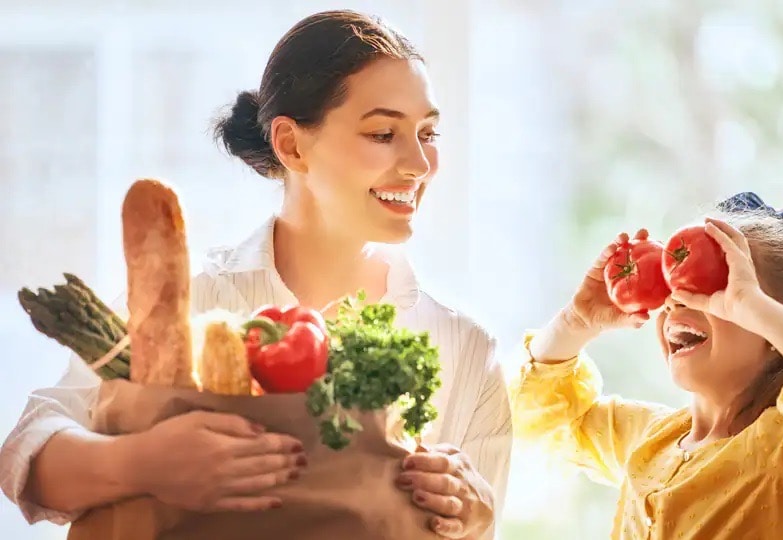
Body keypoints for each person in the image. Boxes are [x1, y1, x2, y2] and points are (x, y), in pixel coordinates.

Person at [0, 10, 510, 540]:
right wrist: (143, 463)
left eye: (429, 133)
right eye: (383, 133)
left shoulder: (465, 348)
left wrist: (475, 517)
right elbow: (28, 455)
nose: (419, 164)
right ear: (290, 145)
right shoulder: (191, 301)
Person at [509, 187, 783, 539]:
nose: (677, 301)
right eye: (672, 284)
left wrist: (749, 304)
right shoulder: (651, 440)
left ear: (772, 329)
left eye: (716, 290)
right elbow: (542, 419)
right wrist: (574, 323)